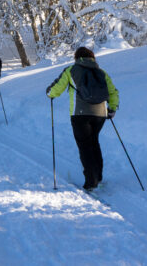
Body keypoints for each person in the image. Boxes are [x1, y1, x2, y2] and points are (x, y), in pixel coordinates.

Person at [46, 46, 119, 190]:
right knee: (94, 143)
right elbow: (113, 92)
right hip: (100, 114)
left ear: (77, 57)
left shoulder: (71, 70)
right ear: (92, 58)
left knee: (85, 146)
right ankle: (97, 176)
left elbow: (56, 90)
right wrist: (112, 108)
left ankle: (91, 181)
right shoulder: (101, 72)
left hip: (80, 114)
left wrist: (50, 93)